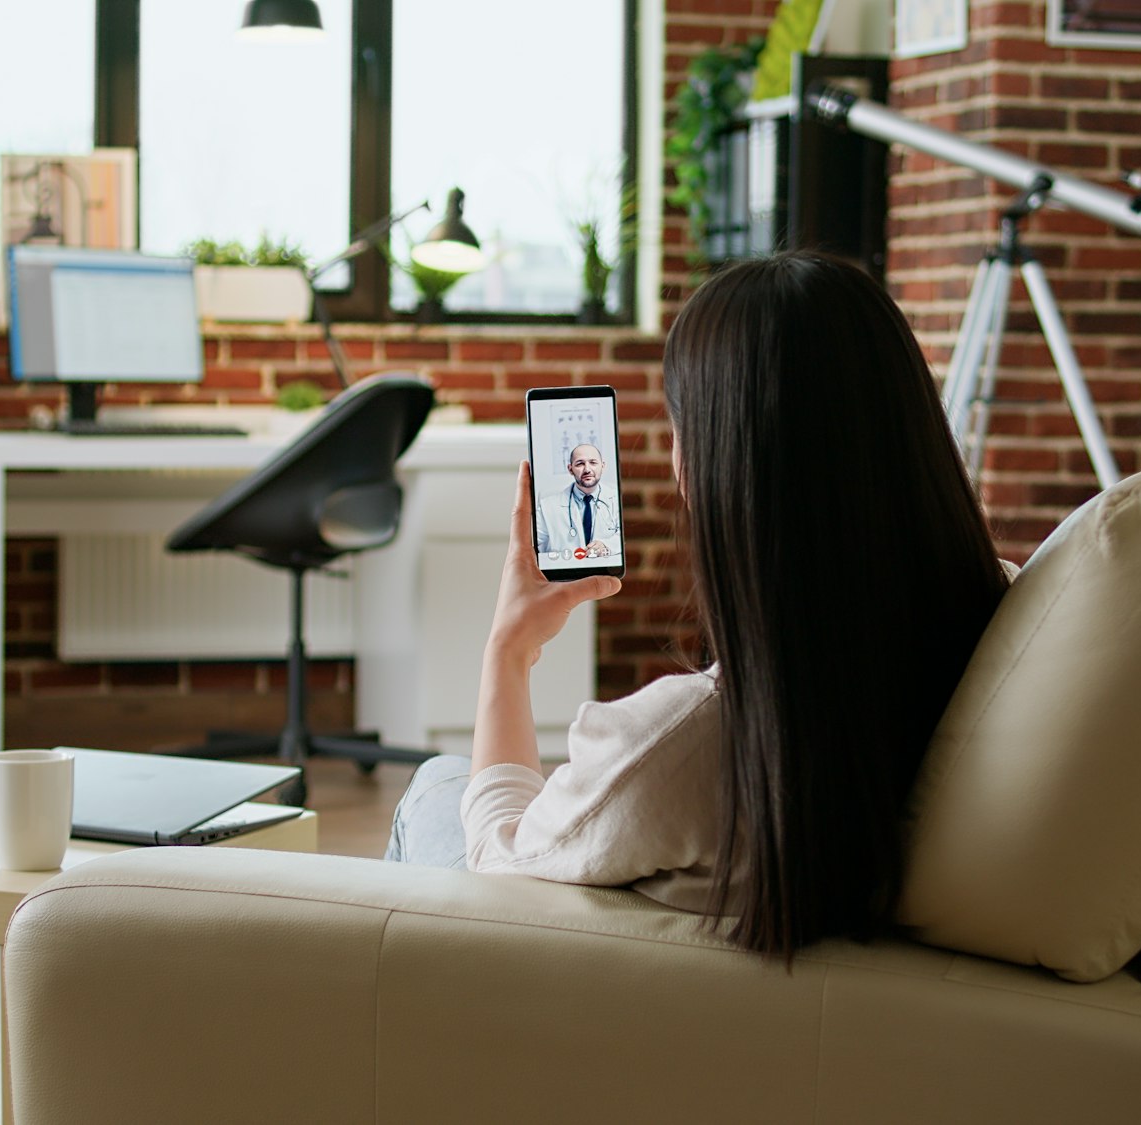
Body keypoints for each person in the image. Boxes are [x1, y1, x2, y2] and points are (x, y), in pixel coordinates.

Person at [384, 251, 1011, 960]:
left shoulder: (685, 742)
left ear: (715, 463)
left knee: (439, 784)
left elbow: (501, 871)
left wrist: (509, 652)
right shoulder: (1001, 626)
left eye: (682, 424)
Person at [534, 442, 621, 559]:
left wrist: (606, 545)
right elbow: (535, 547)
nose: (587, 469)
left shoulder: (617, 499)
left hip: (605, 571)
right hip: (565, 573)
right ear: (570, 469)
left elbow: (627, 537)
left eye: (593, 463)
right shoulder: (547, 506)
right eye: (580, 464)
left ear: (603, 466)